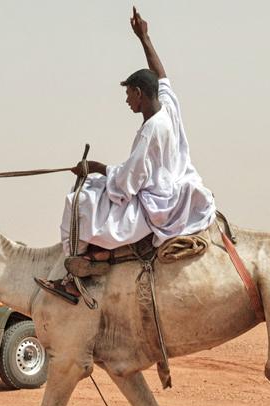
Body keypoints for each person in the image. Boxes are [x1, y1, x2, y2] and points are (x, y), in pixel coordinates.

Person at [37, 7, 216, 304]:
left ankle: (73, 279)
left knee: (81, 200)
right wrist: (144, 37)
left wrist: (94, 168)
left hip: (157, 204)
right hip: (175, 185)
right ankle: (93, 259)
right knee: (94, 191)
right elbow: (162, 75)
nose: (126, 100)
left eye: (129, 94)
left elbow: (128, 182)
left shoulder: (151, 131)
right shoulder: (168, 108)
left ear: (139, 93)